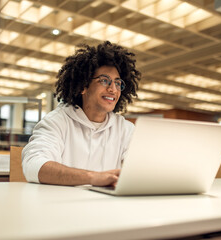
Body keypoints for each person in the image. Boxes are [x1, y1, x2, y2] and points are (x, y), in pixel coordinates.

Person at [22, 41, 141, 186]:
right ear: (83, 86)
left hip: (108, 206)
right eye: (104, 81)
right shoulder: (56, 121)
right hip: (61, 205)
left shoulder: (125, 129)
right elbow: (34, 166)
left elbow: (141, 167)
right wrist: (93, 177)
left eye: (117, 83)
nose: (113, 89)